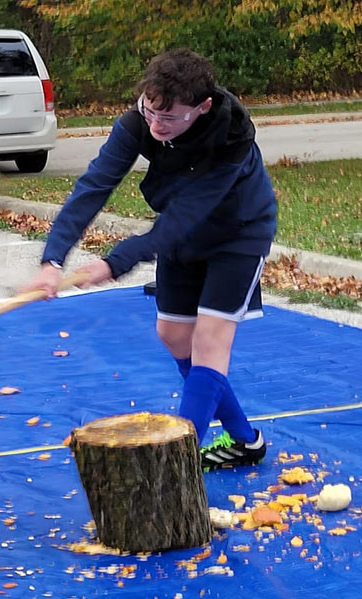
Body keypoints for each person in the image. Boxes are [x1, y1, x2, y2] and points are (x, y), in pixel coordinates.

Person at [20, 48, 277, 470]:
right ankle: (246, 441)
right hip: (184, 235)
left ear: (202, 107)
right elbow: (95, 185)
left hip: (238, 236)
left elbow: (180, 221)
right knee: (174, 336)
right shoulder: (143, 118)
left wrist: (112, 263)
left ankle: (177, 463)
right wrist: (53, 261)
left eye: (169, 118)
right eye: (150, 112)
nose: (156, 125)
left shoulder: (231, 140)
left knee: (210, 342)